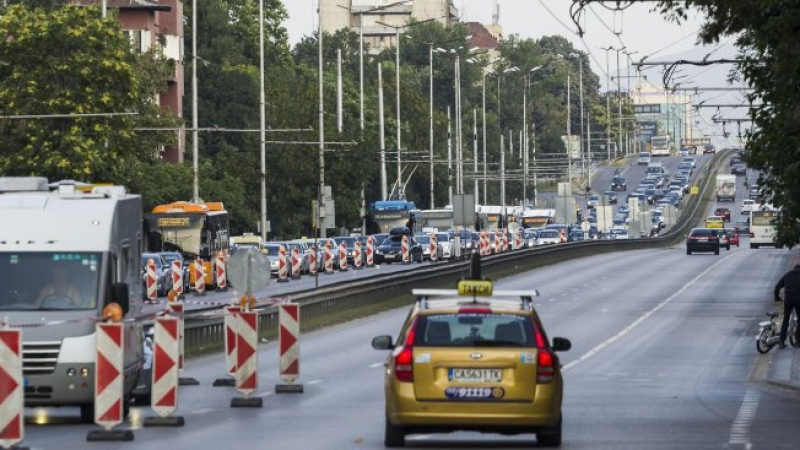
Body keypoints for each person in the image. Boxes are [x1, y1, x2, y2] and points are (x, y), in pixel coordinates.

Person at [774, 263, 800, 348]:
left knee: (786, 320)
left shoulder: (788, 274)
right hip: (798, 299)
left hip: (788, 299)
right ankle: (797, 341)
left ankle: (781, 341)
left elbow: (777, 287)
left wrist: (776, 297)